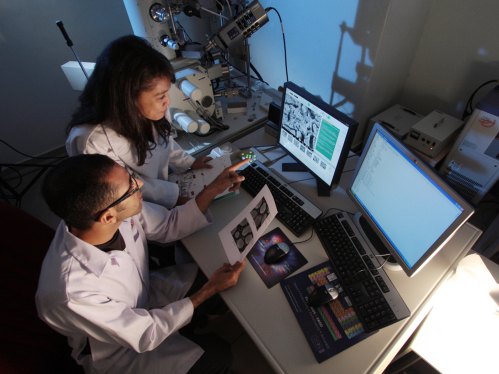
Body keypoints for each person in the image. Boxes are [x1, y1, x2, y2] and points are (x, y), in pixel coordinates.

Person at [36, 154, 249, 374]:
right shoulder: (71, 293)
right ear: (108, 217)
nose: (139, 184)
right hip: (121, 352)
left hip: (142, 296)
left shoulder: (105, 213)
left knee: (212, 273)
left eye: (131, 177)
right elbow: (144, 333)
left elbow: (169, 224)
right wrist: (208, 291)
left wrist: (213, 188)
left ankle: (196, 316)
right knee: (218, 354)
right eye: (130, 187)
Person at [66, 34, 212, 209]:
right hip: (133, 208)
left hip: (162, 192)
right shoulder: (91, 142)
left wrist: (188, 162)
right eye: (160, 96)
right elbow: (127, 187)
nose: (168, 102)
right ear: (128, 97)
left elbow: (165, 143)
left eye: (166, 93)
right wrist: (174, 199)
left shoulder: (153, 110)